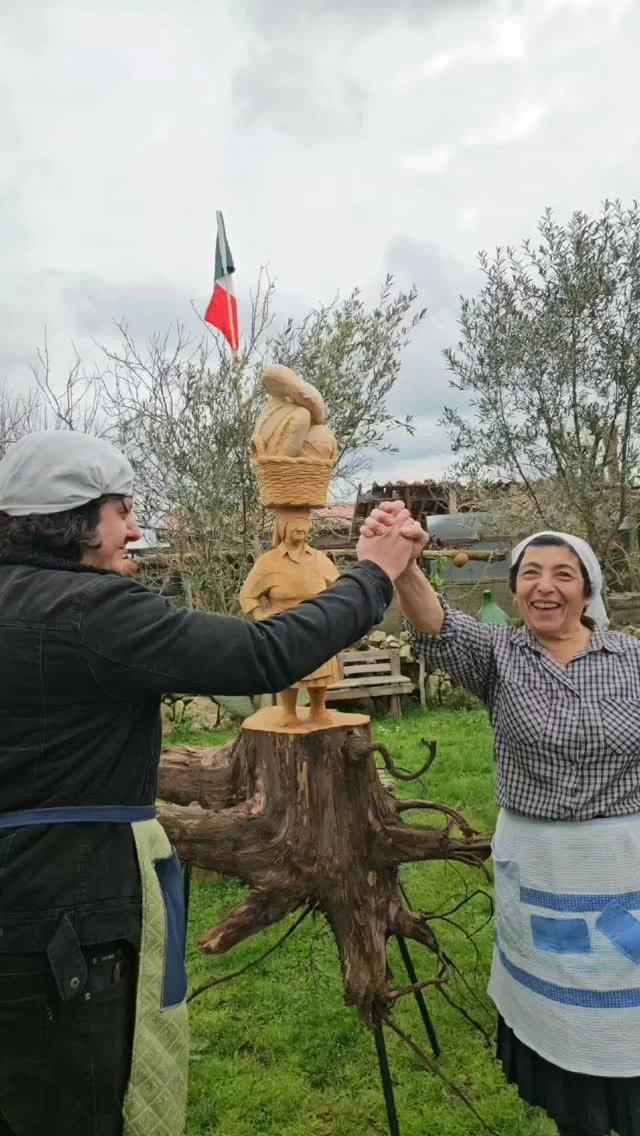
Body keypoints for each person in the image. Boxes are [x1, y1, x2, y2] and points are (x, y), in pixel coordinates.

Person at [0, 431, 415, 1136]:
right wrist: (372, 576)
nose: (136, 529)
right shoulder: (90, 611)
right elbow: (264, 653)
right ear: (72, 520)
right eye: (123, 510)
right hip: (63, 903)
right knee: (74, 1099)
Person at [361, 499, 640, 1136]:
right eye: (530, 573)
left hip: (623, 864)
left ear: (588, 589)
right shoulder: (500, 655)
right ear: (514, 590)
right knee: (563, 1013)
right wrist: (404, 560)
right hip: (544, 868)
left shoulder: (631, 662)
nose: (545, 586)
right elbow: (437, 626)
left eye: (563, 574)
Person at [239, 509, 340, 726]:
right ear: (282, 528)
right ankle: (288, 712)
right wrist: (262, 617)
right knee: (288, 670)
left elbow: (340, 588)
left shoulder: (319, 559)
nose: (301, 529)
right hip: (285, 628)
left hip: (317, 627)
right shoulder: (268, 562)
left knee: (320, 670)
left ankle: (318, 709)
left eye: (304, 524)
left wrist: (336, 614)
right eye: (295, 524)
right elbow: (247, 595)